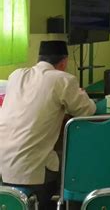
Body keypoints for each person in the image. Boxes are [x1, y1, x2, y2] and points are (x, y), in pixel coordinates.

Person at [0, 41, 96, 210]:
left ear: (39, 58)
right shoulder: (63, 79)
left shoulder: (16, 75)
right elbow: (86, 110)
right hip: (32, 173)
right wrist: (82, 94)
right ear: (64, 62)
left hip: (3, 167)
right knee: (66, 168)